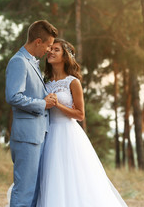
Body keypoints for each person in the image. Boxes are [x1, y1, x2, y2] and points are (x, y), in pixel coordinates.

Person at [36, 38, 128, 207]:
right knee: (52, 176)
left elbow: (80, 114)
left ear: (65, 56)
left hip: (68, 134)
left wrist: (58, 104)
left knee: (74, 178)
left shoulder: (73, 82)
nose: (51, 52)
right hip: (49, 134)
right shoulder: (45, 83)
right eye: (50, 49)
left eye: (56, 49)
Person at [5, 20, 58, 207]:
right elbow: (13, 96)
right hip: (27, 137)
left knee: (34, 191)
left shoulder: (33, 63)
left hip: (38, 135)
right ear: (38, 41)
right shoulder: (19, 62)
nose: (49, 50)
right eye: (48, 45)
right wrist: (42, 104)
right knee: (24, 191)